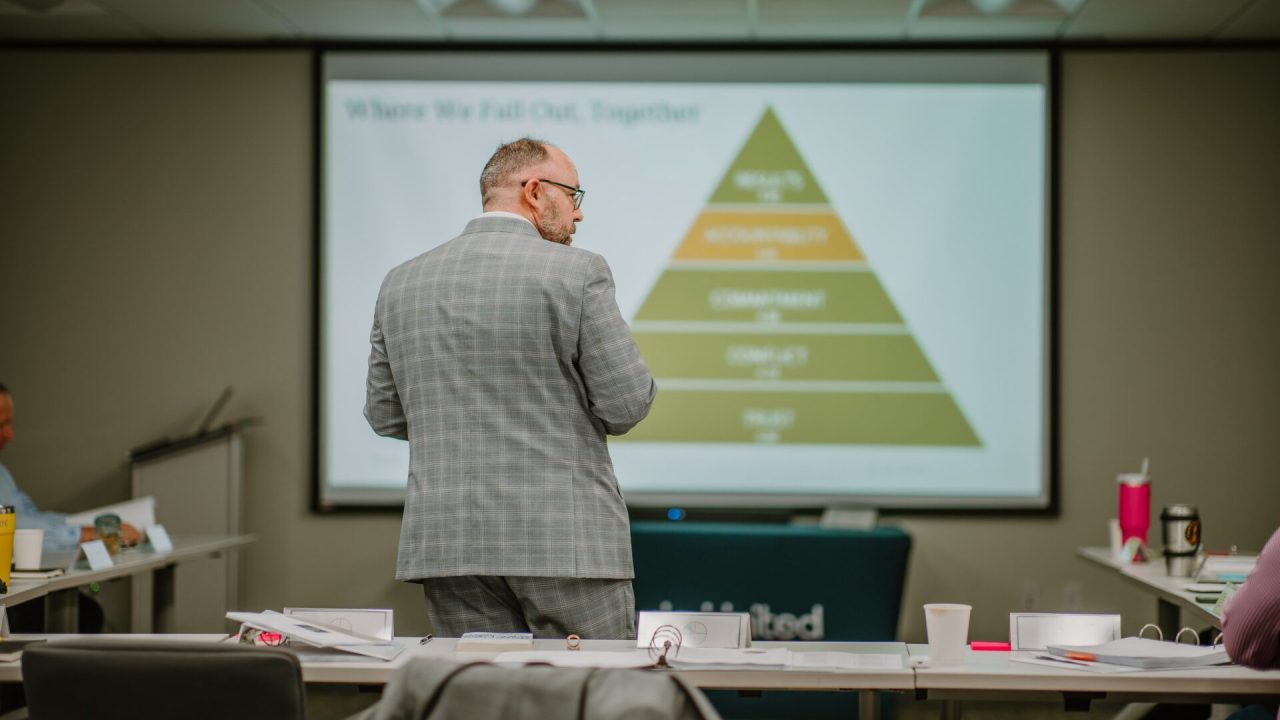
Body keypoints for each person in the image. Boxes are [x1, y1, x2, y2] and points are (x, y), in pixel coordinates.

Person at [365, 138, 656, 640]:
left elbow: (385, 415)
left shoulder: (400, 282)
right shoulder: (578, 272)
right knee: (592, 697)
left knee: (482, 699)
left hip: (448, 544)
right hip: (565, 545)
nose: (578, 215)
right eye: (573, 196)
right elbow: (626, 404)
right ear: (536, 191)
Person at [0, 382, 141, 552]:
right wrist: (88, 534)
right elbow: (14, 528)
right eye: (1, 424)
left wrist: (87, 527)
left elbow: (30, 517)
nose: (10, 435)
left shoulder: (3, 474)